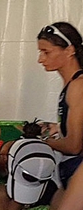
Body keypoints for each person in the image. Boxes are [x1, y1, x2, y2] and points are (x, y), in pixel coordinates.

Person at [37, 22, 83, 189]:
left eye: (46, 52)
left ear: (70, 51)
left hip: (77, 172)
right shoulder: (72, 84)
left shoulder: (78, 86)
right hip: (70, 171)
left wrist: (41, 140)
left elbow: (73, 146)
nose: (40, 59)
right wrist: (57, 127)